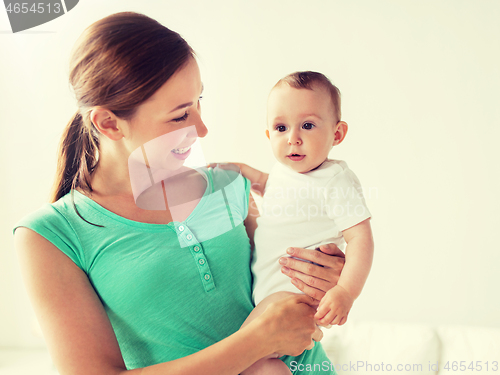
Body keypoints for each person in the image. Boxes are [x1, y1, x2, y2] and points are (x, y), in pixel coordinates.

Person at [12, 13, 346, 375]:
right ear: (109, 123)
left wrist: (323, 278)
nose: (201, 128)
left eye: (199, 101)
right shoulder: (51, 236)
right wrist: (257, 342)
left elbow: (283, 293)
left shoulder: (228, 185)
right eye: (178, 116)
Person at [234, 72, 374, 374]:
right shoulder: (285, 173)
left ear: (337, 134)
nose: (293, 138)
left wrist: (346, 292)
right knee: (261, 364)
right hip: (268, 297)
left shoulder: (336, 180)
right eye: (281, 127)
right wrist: (242, 171)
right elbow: (273, 188)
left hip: (293, 298)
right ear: (269, 135)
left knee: (241, 355)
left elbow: (361, 238)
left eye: (307, 125)